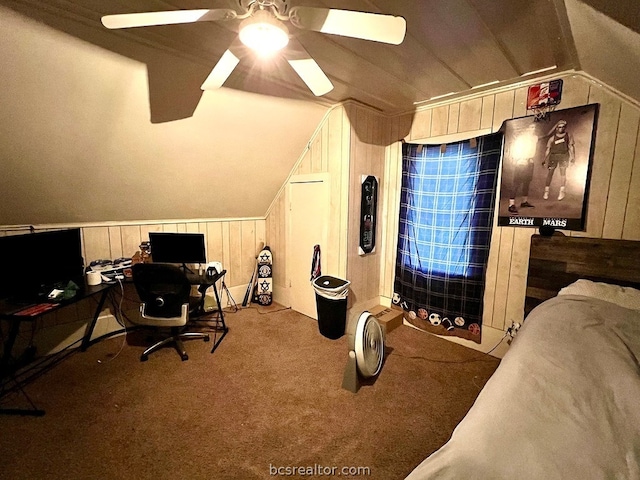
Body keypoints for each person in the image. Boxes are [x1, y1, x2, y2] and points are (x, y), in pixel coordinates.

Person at [507, 123, 538, 214]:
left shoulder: (535, 137)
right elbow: (514, 150)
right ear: (527, 128)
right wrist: (519, 159)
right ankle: (511, 205)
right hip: (521, 162)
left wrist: (530, 159)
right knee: (516, 183)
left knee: (527, 182)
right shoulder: (520, 138)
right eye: (531, 127)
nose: (533, 129)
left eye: (534, 127)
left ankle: (524, 202)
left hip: (530, 162)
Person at [542, 119, 575, 201]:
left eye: (563, 127)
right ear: (556, 128)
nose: (561, 128)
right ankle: (546, 191)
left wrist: (573, 157)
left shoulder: (568, 135)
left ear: (565, 127)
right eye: (559, 127)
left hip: (564, 156)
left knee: (563, 173)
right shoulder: (552, 138)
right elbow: (548, 150)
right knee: (550, 173)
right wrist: (544, 159)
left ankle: (562, 191)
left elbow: (571, 147)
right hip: (554, 156)